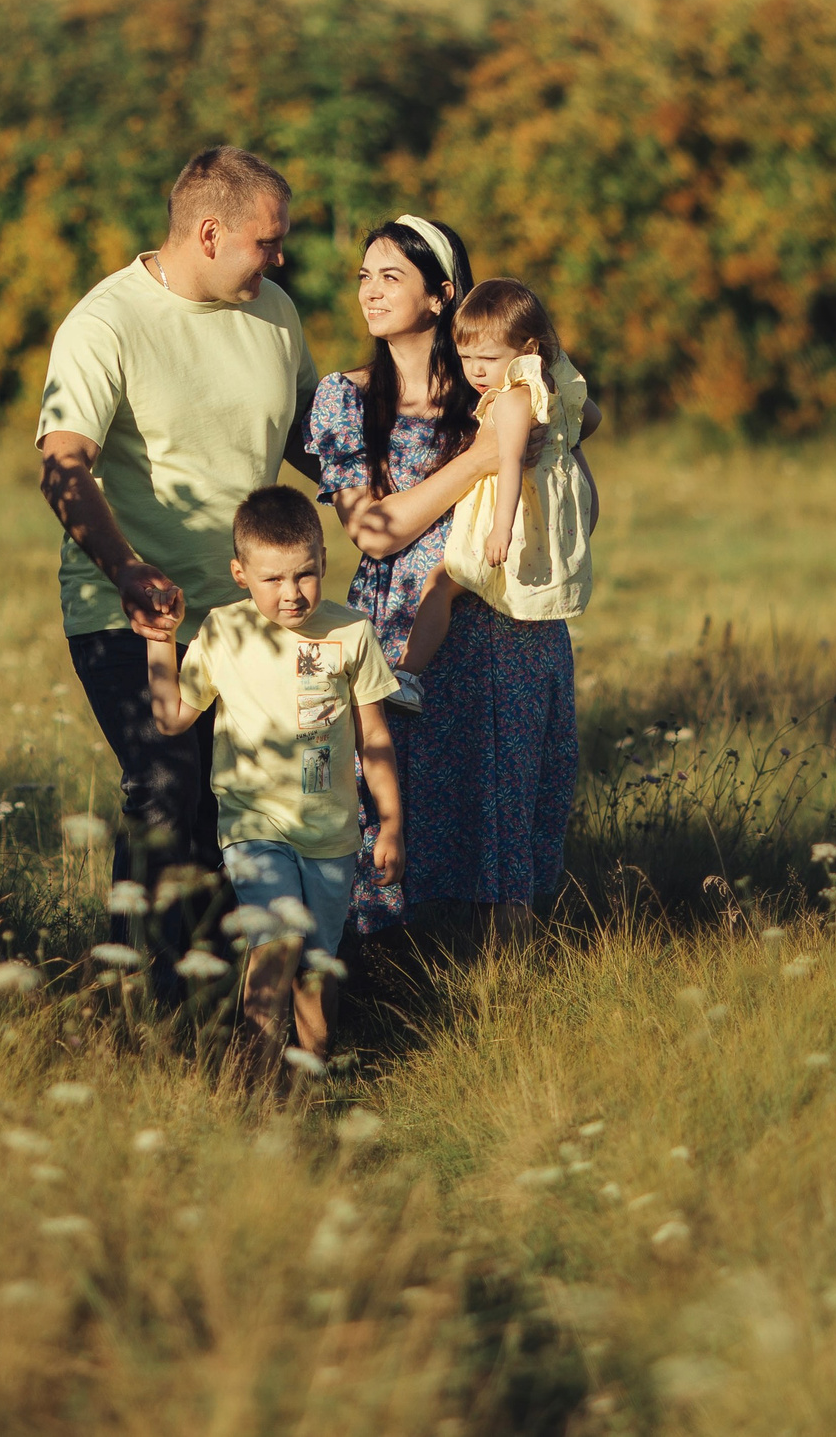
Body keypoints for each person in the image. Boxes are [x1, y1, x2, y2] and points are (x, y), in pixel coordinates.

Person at [35, 147, 319, 1004]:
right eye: (268, 242)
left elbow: (309, 436)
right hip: (127, 611)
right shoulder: (106, 322)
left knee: (235, 810)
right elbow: (62, 466)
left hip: (248, 617)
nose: (280, 258)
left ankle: (215, 998)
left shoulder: (274, 311)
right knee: (165, 785)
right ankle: (146, 1004)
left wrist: (373, 495)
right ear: (209, 233)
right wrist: (126, 569)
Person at [303, 216, 593, 943]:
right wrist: (484, 458)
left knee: (501, 803)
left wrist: (536, 427)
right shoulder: (346, 396)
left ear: (441, 295)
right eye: (364, 276)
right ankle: (387, 975)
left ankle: (504, 984)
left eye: (390, 276)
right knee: (388, 804)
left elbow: (576, 471)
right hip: (402, 630)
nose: (369, 291)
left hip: (505, 622)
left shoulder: (496, 385)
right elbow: (375, 531)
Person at [144, 487, 404, 1059]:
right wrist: (160, 640)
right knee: (276, 943)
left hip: (332, 835)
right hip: (254, 825)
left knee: (316, 967)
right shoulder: (223, 632)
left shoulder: (351, 633)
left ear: (324, 562)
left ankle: (311, 1079)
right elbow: (172, 717)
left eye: (305, 574)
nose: (292, 593)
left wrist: (389, 824)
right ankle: (256, 1078)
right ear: (240, 574)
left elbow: (374, 737)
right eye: (272, 579)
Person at [395, 279, 596, 689]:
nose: (476, 370)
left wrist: (500, 528)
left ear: (528, 350)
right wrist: (563, 447)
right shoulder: (553, 385)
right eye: (466, 357)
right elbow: (591, 418)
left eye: (488, 358)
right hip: (551, 509)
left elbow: (509, 462)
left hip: (512, 514)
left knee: (441, 583)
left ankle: (406, 674)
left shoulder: (511, 398)